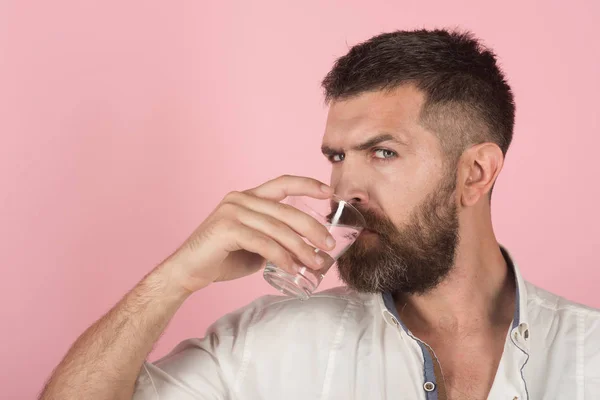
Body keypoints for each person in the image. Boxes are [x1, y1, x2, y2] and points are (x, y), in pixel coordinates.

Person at [39, 29, 600, 400]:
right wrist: (175, 279)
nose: (345, 187)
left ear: (475, 173)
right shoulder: (266, 344)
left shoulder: (588, 355)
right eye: (336, 157)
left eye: (383, 152)